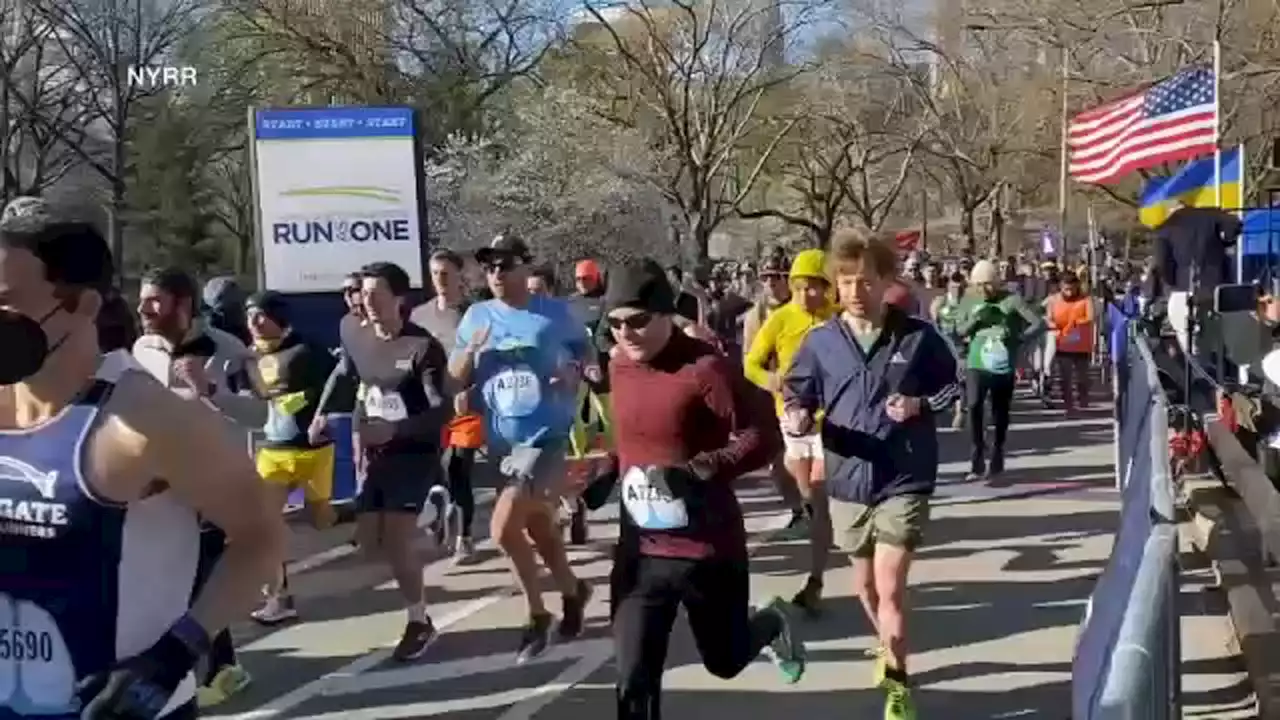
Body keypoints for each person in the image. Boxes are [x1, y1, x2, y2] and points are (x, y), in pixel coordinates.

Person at [0, 217, 281, 719]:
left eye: (6, 300)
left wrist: (175, 654)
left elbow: (262, 537)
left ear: (83, 304)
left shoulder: (148, 419)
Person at [597, 258, 803, 719]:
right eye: (614, 323)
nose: (625, 333)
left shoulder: (705, 368)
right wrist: (605, 473)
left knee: (725, 661)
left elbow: (763, 434)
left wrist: (703, 469)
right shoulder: (620, 369)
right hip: (642, 552)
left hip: (707, 547)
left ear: (667, 315)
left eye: (637, 321)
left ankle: (770, 623)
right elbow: (639, 443)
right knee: (633, 678)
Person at [782, 229, 959, 720]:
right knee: (864, 588)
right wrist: (797, 414)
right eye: (846, 282)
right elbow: (797, 394)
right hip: (846, 478)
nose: (856, 292)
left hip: (905, 475)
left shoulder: (918, 337)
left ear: (885, 282)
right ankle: (886, 646)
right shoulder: (820, 343)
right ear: (836, 286)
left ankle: (899, 685)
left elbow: (953, 387)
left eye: (866, 281)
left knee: (891, 587)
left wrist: (920, 404)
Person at [449, 235, 593, 662]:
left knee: (501, 528)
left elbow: (587, 356)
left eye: (504, 264)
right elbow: (454, 378)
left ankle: (536, 613)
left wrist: (575, 372)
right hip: (501, 442)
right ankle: (572, 590)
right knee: (536, 526)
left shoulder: (553, 314)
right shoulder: (476, 316)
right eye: (489, 265)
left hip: (545, 438)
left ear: (525, 268)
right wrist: (470, 353)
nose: (495, 272)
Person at [132, 267, 265, 705]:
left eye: (153, 300)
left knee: (199, 581)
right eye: (142, 299)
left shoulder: (229, 351)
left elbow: (260, 415)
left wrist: (210, 388)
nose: (143, 308)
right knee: (167, 581)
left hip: (214, 487)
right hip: (159, 490)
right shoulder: (141, 350)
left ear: (182, 304)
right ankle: (204, 667)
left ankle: (223, 668)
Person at [311, 261, 452, 661]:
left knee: (395, 539)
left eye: (376, 295)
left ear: (399, 300)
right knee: (370, 545)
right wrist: (323, 412)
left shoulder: (422, 348)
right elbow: (347, 374)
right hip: (375, 449)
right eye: (362, 293)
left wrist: (397, 430)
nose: (366, 302)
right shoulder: (352, 330)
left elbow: (442, 413)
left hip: (414, 449)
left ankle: (419, 621)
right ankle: (431, 515)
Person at [743, 249, 837, 616]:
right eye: (799, 287)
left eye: (813, 287)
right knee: (813, 503)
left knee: (822, 493)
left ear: (827, 288)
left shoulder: (838, 320)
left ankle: (815, 579)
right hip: (793, 421)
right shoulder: (780, 320)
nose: (805, 294)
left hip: (832, 420)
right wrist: (772, 381)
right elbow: (750, 364)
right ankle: (818, 574)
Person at [240, 291, 340, 629]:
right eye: (249, 315)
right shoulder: (247, 357)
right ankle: (279, 598)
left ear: (279, 318)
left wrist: (316, 410)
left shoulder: (307, 349)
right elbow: (244, 399)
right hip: (271, 451)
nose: (254, 322)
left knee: (322, 521)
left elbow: (339, 386)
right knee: (264, 523)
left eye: (261, 315)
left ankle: (399, 513)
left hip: (313, 451)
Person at [410, 249, 481, 561]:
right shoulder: (419, 316)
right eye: (434, 273)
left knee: (457, 467)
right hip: (431, 405)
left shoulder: (475, 314)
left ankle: (464, 536)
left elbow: (489, 359)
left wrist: (474, 390)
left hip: (465, 404)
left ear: (459, 276)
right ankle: (440, 514)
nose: (439, 279)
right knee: (432, 469)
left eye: (445, 273)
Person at [955, 260, 1045, 480]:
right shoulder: (969, 300)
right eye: (978, 285)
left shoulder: (1011, 300)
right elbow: (959, 330)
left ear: (996, 283)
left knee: (1000, 411)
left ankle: (997, 452)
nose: (983, 290)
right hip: (977, 362)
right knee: (974, 405)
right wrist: (976, 319)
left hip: (1002, 364)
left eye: (988, 285)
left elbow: (1038, 323)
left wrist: (1018, 338)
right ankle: (976, 457)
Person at [739, 251, 807, 535]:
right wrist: (769, 381)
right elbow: (749, 360)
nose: (771, 284)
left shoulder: (805, 307)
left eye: (777, 278)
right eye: (765, 278)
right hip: (772, 395)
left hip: (807, 393)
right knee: (777, 463)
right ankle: (797, 509)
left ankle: (820, 510)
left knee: (809, 459)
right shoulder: (756, 315)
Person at [1045, 271, 1095, 415]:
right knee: (1065, 377)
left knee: (1082, 378)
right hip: (1063, 344)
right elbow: (1049, 318)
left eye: (1072, 288)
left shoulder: (1085, 300)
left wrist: (1074, 323)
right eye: (1066, 289)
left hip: (1081, 345)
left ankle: (1083, 399)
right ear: (1060, 287)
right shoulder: (1053, 300)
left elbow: (1090, 317)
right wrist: (1053, 325)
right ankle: (1069, 405)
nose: (1069, 292)